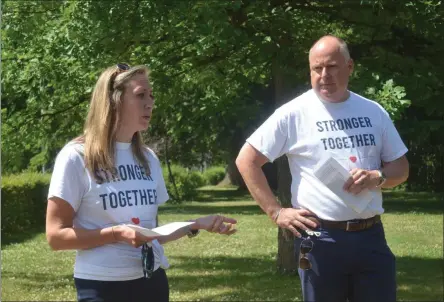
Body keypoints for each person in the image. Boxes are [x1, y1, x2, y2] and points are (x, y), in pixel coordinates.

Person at [236, 35, 409, 302]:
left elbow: (401, 167)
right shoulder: (294, 113)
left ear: (349, 67)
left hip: (371, 237)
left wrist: (378, 177)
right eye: (317, 68)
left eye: (332, 67)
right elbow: (246, 160)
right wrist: (276, 212)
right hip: (321, 240)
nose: (324, 75)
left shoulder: (373, 111)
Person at [46, 63, 237, 302]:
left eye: (151, 96)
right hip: (102, 287)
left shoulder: (148, 158)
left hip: (152, 282)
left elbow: (151, 234)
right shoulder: (76, 156)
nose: (150, 103)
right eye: (140, 95)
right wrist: (116, 234)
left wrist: (196, 224)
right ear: (114, 101)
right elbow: (55, 236)